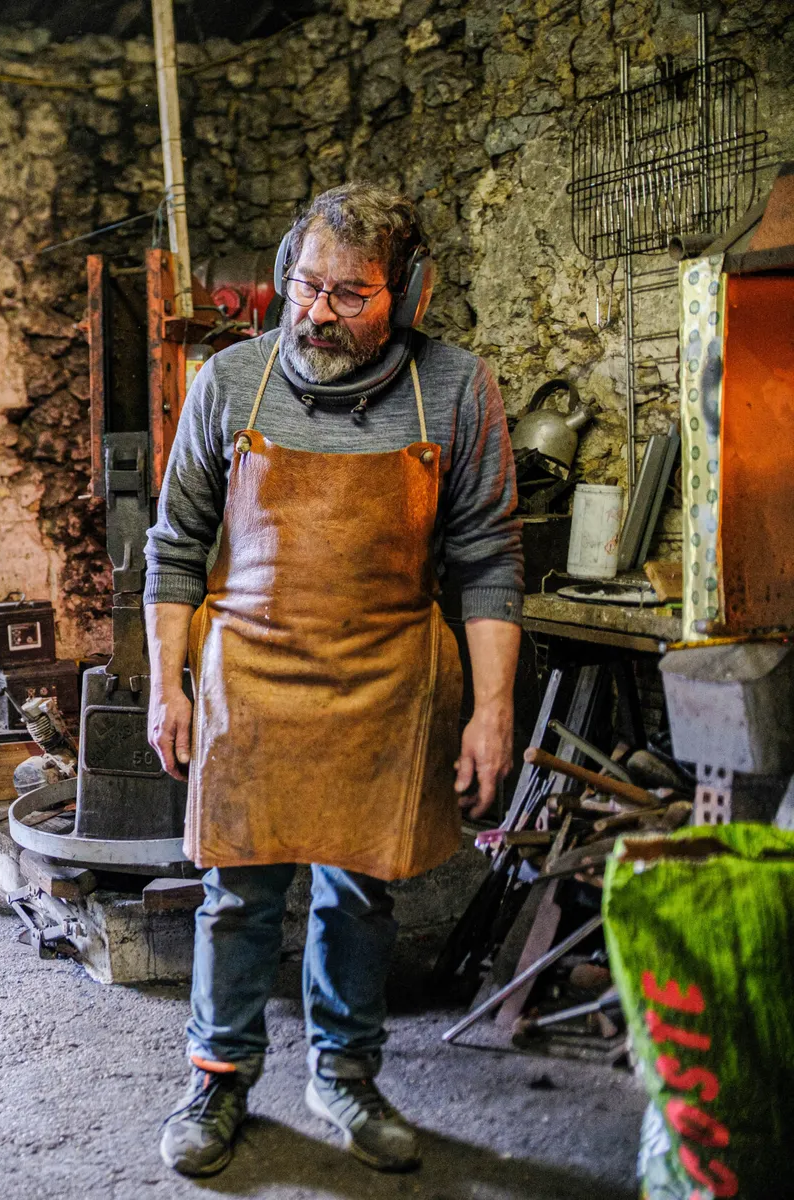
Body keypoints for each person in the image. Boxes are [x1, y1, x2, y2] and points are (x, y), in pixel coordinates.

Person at [144, 183, 522, 1176]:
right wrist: (166, 683)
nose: (316, 312)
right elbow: (174, 547)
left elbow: (488, 560)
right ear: (283, 273)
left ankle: (344, 1075)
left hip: (387, 676)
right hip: (251, 677)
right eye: (307, 285)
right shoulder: (229, 383)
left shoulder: (456, 389)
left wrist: (491, 710)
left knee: (361, 893)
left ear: (411, 293)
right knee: (237, 895)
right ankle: (218, 1079)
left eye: (350, 295)